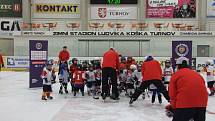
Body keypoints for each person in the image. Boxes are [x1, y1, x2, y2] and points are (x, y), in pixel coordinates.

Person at [166, 57, 208, 121]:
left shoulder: (176, 75)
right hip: (202, 104)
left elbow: (172, 94)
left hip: (184, 104)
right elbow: (202, 88)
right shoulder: (197, 74)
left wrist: (173, 108)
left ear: (178, 66)